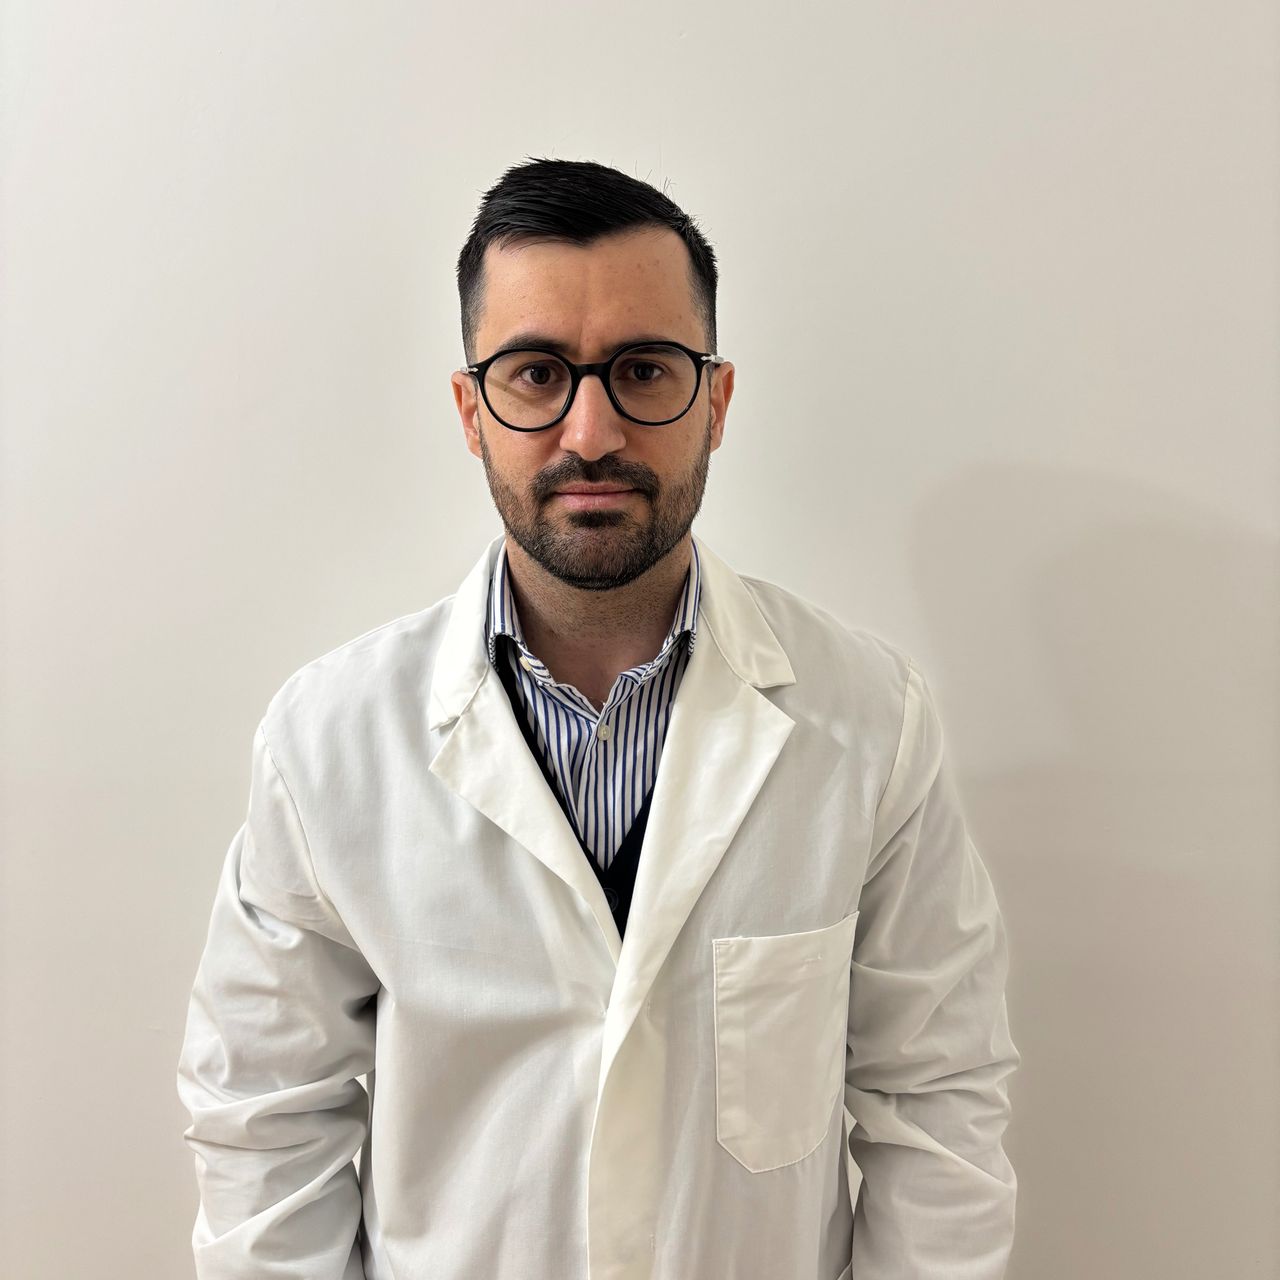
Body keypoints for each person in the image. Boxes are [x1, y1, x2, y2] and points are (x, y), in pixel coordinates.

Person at [176, 156, 1020, 1280]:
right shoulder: (329, 743)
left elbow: (937, 1105)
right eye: (536, 373)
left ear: (715, 402)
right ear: (470, 411)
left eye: (642, 369)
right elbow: (264, 1123)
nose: (590, 431)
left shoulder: (869, 722)